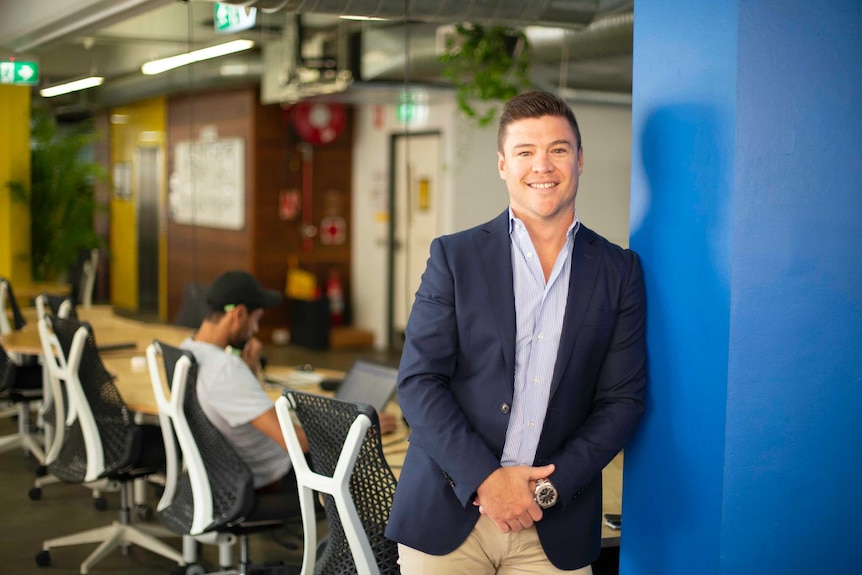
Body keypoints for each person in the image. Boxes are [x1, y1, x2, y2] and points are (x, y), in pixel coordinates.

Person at [385, 91, 647, 574]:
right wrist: (487, 481)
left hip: (553, 523)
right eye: (525, 151)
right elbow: (419, 383)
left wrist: (547, 489)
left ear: (580, 160)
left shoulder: (619, 271)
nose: (542, 166)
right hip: (450, 514)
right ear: (503, 165)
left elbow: (622, 401)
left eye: (558, 150)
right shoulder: (454, 258)